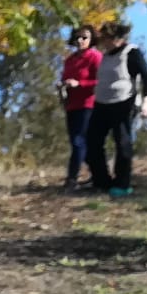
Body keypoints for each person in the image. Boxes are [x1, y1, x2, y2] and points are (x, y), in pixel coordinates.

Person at [88, 21, 147, 197]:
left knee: (123, 143)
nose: (103, 41)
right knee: (92, 142)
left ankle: (122, 184)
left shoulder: (131, 52)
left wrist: (146, 101)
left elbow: (146, 76)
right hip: (102, 103)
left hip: (124, 103)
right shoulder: (105, 56)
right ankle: (101, 181)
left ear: (116, 38)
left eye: (106, 37)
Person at [57, 25, 101, 193]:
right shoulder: (70, 59)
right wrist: (62, 85)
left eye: (84, 37)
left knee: (79, 141)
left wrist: (80, 84)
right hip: (71, 105)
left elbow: (100, 82)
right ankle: (98, 174)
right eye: (77, 37)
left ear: (91, 40)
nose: (80, 40)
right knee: (78, 143)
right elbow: (64, 78)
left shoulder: (95, 57)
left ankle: (71, 178)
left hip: (88, 104)